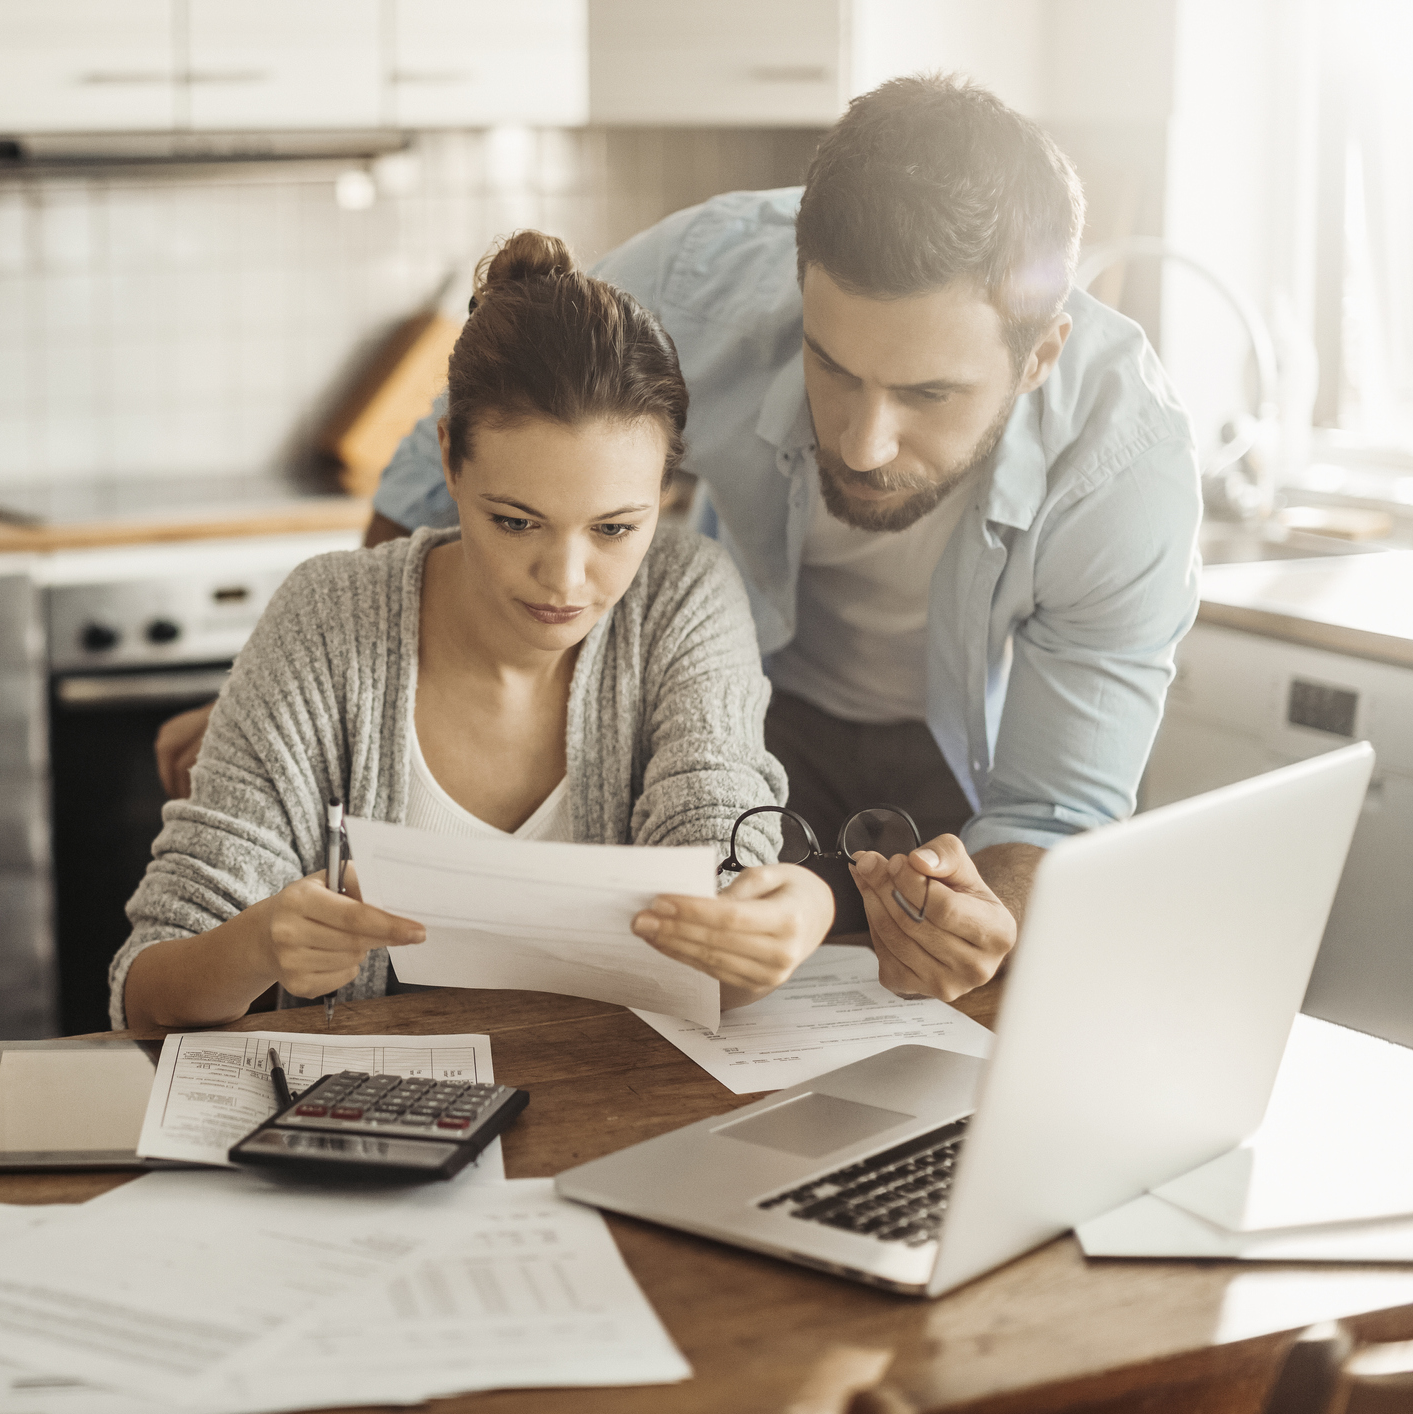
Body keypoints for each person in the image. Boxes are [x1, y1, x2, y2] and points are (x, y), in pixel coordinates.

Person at [159, 75, 1200, 1004]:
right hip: (750, 706)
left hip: (960, 770)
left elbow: (1054, 805)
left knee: (938, 1009)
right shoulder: (700, 279)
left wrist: (994, 920)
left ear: (1039, 353)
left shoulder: (1126, 468)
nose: (863, 439)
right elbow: (452, 461)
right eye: (834, 366)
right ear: (799, 288)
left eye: (927, 393)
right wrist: (312, 684)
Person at [114, 232, 835, 1031]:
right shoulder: (327, 617)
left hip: (611, 1112)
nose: (564, 580)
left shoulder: (682, 598)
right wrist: (253, 949)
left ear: (663, 490)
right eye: (516, 520)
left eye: (612, 529)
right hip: (367, 1120)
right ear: (450, 462)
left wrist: (789, 912)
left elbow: (716, 879)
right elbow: (146, 996)